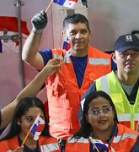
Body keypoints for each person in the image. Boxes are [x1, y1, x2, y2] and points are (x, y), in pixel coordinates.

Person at [22, 11, 114, 139]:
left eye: (83, 31)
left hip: (96, 135)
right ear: (64, 35)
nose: (78, 36)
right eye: (73, 32)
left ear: (90, 34)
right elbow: (28, 57)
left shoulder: (107, 61)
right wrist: (36, 31)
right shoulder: (53, 58)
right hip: (62, 138)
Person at [84, 34, 139, 130]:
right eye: (124, 53)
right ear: (114, 57)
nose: (129, 57)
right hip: (113, 144)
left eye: (135, 53)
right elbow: (83, 118)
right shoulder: (99, 86)